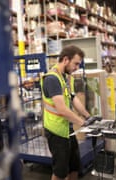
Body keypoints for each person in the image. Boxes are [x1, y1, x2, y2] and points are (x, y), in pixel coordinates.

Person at [40, 45, 100, 180]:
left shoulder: (66, 78)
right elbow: (61, 109)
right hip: (56, 133)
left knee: (74, 167)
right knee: (60, 172)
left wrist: (88, 116)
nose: (77, 67)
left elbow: (73, 99)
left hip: (68, 130)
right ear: (66, 59)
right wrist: (83, 123)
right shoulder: (52, 79)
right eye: (76, 63)